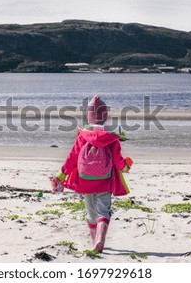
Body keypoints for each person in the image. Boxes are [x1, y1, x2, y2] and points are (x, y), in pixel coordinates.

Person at [50, 95, 132, 252]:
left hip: (85, 179)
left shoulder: (82, 135)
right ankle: (100, 240)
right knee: (103, 210)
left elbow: (72, 157)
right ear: (105, 117)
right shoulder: (112, 138)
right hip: (105, 179)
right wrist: (125, 167)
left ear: (89, 116)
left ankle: (94, 240)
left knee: (90, 211)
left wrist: (60, 176)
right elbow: (117, 160)